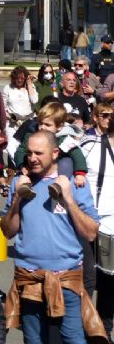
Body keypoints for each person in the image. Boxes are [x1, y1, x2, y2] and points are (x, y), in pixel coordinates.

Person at [0, 130, 107, 344]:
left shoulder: (74, 183)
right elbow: (8, 231)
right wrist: (17, 199)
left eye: (39, 153)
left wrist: (68, 198)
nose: (32, 158)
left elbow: (91, 232)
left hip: (66, 277)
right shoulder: (20, 182)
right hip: (29, 276)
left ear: (55, 152)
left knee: (73, 338)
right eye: (29, 153)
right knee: (33, 339)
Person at [80, 104, 114, 339]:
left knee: (109, 279)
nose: (109, 119)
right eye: (105, 115)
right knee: (87, 279)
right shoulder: (88, 145)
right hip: (90, 218)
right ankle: (85, 325)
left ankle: (104, 328)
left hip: (112, 222)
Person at [13, 102, 87, 201]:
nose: (42, 127)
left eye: (47, 125)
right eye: (40, 123)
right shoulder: (32, 135)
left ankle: (58, 187)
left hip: (56, 166)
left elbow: (77, 154)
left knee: (67, 162)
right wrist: (22, 165)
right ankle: (26, 187)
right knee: (29, 158)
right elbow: (20, 151)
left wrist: (80, 173)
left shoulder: (64, 138)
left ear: (59, 127)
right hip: (36, 166)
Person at [1, 66, 38, 160]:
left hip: (28, 121)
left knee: (27, 145)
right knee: (11, 146)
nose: (20, 80)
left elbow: (34, 100)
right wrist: (10, 117)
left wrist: (29, 84)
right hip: (13, 122)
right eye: (17, 78)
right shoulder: (8, 88)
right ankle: (17, 165)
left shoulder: (30, 86)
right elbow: (3, 107)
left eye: (22, 78)